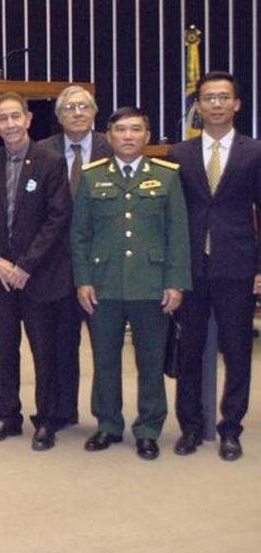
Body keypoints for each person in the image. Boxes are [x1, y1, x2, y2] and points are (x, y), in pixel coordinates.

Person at [71, 106, 191, 460]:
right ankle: (108, 424)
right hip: (103, 286)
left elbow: (178, 235)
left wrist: (175, 283)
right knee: (105, 360)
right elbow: (79, 236)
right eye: (120, 130)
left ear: (146, 135)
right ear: (108, 136)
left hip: (151, 286)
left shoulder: (166, 176)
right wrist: (83, 280)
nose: (127, 136)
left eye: (135, 129)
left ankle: (149, 428)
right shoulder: (93, 177)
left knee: (150, 362)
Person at [0, 92, 72, 451]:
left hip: (39, 277)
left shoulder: (51, 161)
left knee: (44, 352)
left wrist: (26, 266)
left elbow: (57, 219)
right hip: (0, 279)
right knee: (5, 350)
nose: (10, 124)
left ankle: (46, 420)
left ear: (28, 119)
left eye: (16, 116)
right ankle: (7, 415)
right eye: (3, 118)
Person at [169, 71, 261, 461]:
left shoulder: (254, 152)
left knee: (237, 349)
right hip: (189, 266)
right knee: (188, 349)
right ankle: (190, 426)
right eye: (209, 98)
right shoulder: (178, 154)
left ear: (237, 104)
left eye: (224, 97)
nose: (217, 104)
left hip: (237, 265)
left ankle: (231, 428)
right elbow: (171, 216)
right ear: (199, 106)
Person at [36, 84, 112, 427]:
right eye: (70, 108)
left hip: (104, 266)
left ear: (95, 113)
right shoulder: (41, 152)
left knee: (106, 347)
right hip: (57, 266)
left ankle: (108, 416)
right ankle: (63, 411)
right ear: (59, 116)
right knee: (62, 345)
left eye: (84, 107)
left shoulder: (114, 148)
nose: (77, 113)